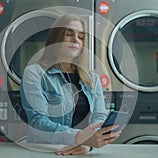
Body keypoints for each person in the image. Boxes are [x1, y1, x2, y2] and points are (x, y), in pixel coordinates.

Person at [20, 14, 121, 155]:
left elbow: (99, 116)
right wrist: (77, 137)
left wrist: (89, 143)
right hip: (45, 151)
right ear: (56, 38)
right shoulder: (35, 73)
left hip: (82, 151)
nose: (76, 40)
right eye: (69, 34)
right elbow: (38, 121)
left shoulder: (92, 78)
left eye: (80, 37)